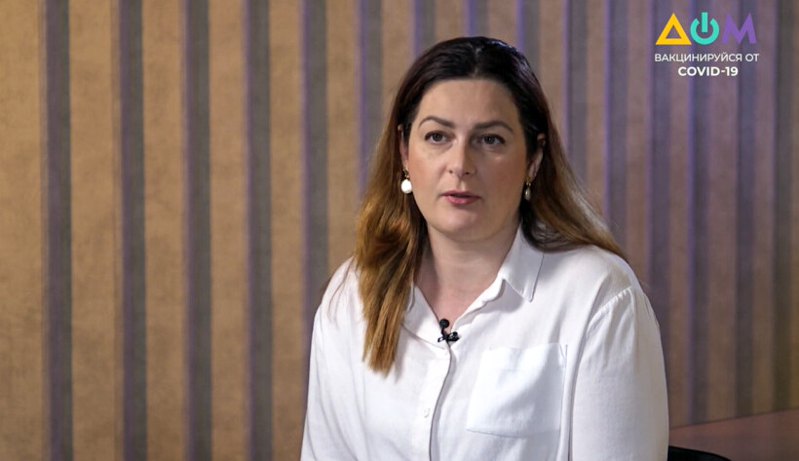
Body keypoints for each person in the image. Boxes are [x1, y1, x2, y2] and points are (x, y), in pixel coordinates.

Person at [301, 36, 668, 460]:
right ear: (404, 152)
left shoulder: (598, 297)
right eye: (437, 136)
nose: (460, 164)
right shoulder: (352, 294)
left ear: (533, 159)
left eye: (490, 140)